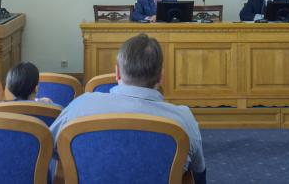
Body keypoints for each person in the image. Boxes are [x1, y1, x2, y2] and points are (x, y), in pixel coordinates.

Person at [50, 34, 206, 183]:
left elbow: (48, 149)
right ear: (160, 77)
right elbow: (198, 170)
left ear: (117, 73)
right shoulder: (183, 119)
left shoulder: (80, 107)